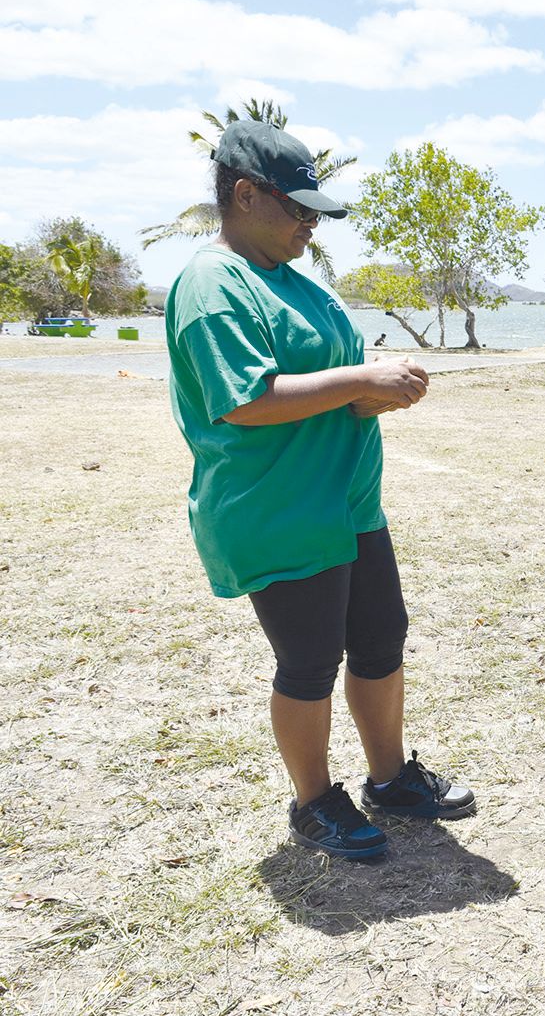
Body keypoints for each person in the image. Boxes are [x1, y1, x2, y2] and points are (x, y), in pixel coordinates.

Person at [165, 119, 475, 860]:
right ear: (244, 194)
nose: (310, 223)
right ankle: (313, 802)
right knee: (308, 661)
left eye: (315, 211)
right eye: (298, 208)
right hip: (278, 507)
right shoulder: (213, 285)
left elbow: (325, 382)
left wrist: (372, 395)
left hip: (346, 503)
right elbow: (245, 398)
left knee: (380, 638)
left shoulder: (292, 282)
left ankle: (390, 777)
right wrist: (360, 380)